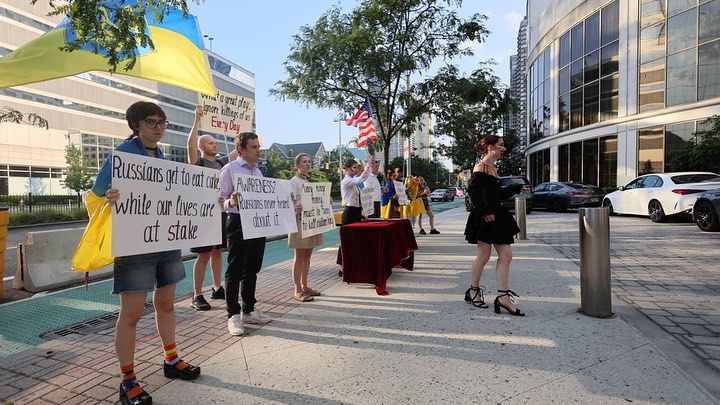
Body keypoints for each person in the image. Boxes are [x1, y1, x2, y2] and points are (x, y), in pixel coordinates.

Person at [99, 101, 200, 405]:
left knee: (166, 303)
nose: (159, 127)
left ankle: (171, 359)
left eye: (162, 122)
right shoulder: (124, 154)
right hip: (135, 245)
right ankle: (127, 380)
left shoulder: (161, 156)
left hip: (165, 241)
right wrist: (109, 197)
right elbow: (96, 194)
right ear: (137, 125)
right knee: (131, 313)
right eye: (152, 122)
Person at [464, 135, 525, 316]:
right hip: (485, 218)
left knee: (506, 255)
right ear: (490, 147)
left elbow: (495, 195)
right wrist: (485, 212)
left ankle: (503, 297)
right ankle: (473, 290)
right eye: (500, 145)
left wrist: (513, 188)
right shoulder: (480, 167)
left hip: (497, 216)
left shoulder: (493, 169)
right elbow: (473, 191)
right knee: (483, 256)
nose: (503, 149)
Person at [220, 132, 273, 336]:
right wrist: (230, 202)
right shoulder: (229, 169)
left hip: (257, 223)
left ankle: (249, 309)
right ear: (241, 149)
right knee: (235, 270)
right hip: (238, 222)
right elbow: (218, 200)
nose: (258, 150)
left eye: (258, 146)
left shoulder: (258, 172)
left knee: (252, 268)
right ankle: (232, 315)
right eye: (253, 147)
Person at [186, 105, 238, 311]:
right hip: (203, 216)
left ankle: (217, 288)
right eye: (210, 143)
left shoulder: (220, 163)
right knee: (204, 255)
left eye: (216, 142)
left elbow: (237, 151)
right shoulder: (198, 162)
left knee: (217, 252)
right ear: (202, 146)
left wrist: (243, 129)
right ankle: (197, 294)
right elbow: (189, 146)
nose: (214, 145)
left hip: (219, 214)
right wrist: (196, 120)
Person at [288, 153, 324, 302]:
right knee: (299, 256)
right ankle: (297, 289)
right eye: (304, 162)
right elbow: (288, 200)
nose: (308, 164)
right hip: (299, 221)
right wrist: (295, 208)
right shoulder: (293, 181)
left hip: (310, 220)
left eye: (309, 161)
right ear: (297, 166)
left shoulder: (308, 181)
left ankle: (304, 285)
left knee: (308, 255)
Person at [336, 156, 375, 275]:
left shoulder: (354, 182)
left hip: (356, 211)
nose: (356, 169)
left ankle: (352, 264)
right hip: (349, 212)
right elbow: (362, 178)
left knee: (356, 240)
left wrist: (361, 213)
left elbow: (358, 197)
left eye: (357, 167)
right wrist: (368, 164)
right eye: (354, 167)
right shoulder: (347, 181)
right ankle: (342, 267)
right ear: (347, 169)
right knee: (346, 240)